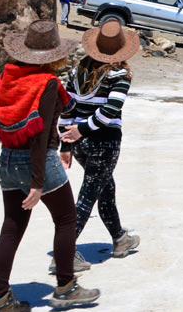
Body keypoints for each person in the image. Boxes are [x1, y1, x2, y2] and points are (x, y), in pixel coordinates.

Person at [0, 21, 100, 312]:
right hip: (37, 163)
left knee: (11, 229)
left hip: (6, 160)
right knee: (66, 219)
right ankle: (65, 286)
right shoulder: (46, 83)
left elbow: (4, 118)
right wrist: (37, 182)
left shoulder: (8, 77)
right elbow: (39, 137)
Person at [58, 19, 141, 263]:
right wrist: (84, 129)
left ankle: (119, 238)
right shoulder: (120, 74)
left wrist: (67, 142)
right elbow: (112, 109)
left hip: (81, 144)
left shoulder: (77, 71)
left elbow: (66, 108)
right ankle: (65, 253)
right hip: (104, 142)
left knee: (106, 187)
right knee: (88, 194)